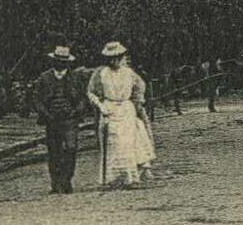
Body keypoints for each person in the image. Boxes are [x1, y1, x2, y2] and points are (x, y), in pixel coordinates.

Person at [89, 42, 156, 188]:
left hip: (126, 109)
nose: (114, 61)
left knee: (127, 143)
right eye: (111, 58)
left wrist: (138, 103)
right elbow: (91, 92)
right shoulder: (101, 73)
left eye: (117, 57)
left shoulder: (129, 73)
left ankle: (130, 177)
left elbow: (140, 88)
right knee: (112, 143)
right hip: (109, 107)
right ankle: (111, 178)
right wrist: (101, 106)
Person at [31, 47, 83, 193]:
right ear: (53, 61)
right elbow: (36, 98)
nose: (61, 64)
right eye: (58, 61)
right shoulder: (44, 78)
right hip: (51, 120)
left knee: (71, 148)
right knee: (54, 151)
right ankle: (55, 182)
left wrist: (76, 111)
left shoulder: (75, 77)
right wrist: (45, 113)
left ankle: (67, 180)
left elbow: (82, 98)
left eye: (64, 61)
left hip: (70, 120)